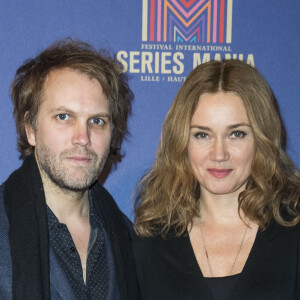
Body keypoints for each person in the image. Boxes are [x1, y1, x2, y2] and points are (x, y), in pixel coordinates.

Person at [133, 59, 300, 299]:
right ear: (182, 142)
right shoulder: (151, 244)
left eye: (236, 134)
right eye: (202, 134)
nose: (219, 154)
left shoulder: (293, 233)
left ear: (262, 139)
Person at [0, 39, 140, 299]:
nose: (83, 137)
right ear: (30, 128)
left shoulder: (130, 240)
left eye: (97, 121)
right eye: (64, 117)